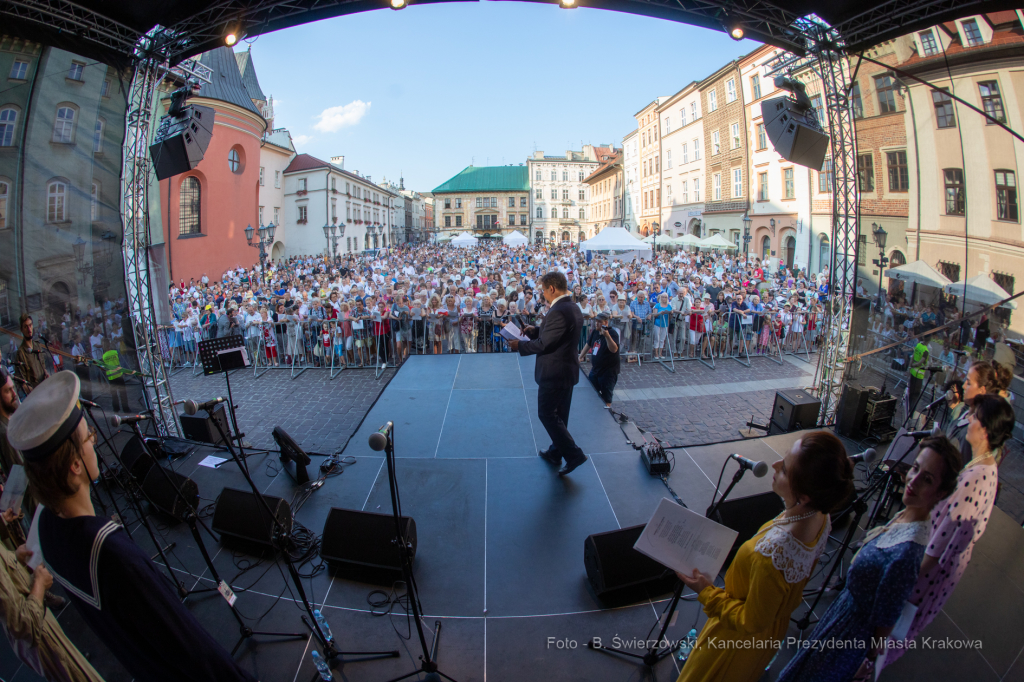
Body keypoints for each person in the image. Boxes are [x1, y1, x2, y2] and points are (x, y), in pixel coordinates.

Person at [8, 372, 258, 682]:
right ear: (75, 465)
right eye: (88, 437)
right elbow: (191, 649)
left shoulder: (46, 527)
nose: (94, 441)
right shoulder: (110, 552)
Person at [776, 436, 963, 682]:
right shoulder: (908, 516)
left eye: (927, 479)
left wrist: (865, 661)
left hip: (848, 638)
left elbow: (886, 620)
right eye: (915, 468)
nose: (913, 481)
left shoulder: (908, 553)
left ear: (940, 493)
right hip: (842, 619)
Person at [675, 431, 853, 682]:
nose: (775, 464)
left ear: (803, 496)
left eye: (785, 469)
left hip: (735, 641)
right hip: (770, 629)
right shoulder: (820, 517)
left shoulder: (773, 555)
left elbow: (749, 621)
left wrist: (706, 591)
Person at [881, 394, 1013, 671]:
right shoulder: (984, 466)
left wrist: (899, 580)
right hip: (929, 573)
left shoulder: (975, 480)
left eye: (974, 417)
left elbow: (936, 550)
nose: (968, 419)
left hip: (923, 580)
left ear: (985, 430)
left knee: (881, 644)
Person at [509, 271, 588, 476]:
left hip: (555, 373)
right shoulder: (571, 307)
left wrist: (520, 346)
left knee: (546, 414)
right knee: (560, 415)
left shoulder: (559, 310)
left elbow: (545, 344)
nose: (542, 294)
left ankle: (574, 455)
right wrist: (534, 330)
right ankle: (555, 452)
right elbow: (555, 336)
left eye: (543, 290)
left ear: (552, 289)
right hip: (566, 371)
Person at [579, 311, 619, 408]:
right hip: (595, 370)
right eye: (596, 321)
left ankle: (607, 414)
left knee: (607, 397)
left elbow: (614, 349)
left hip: (608, 372)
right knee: (591, 391)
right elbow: (588, 344)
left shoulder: (612, 333)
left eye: (599, 322)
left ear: (605, 323)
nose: (596, 323)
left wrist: (607, 336)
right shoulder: (595, 332)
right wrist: (580, 357)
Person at [15, 314, 49, 393]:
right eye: (25, 326)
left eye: (30, 325)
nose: (29, 329)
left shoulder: (37, 345)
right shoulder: (21, 353)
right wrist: (34, 394)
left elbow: (43, 367)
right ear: (21, 329)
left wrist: (46, 374)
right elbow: (22, 383)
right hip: (34, 395)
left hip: (45, 389)